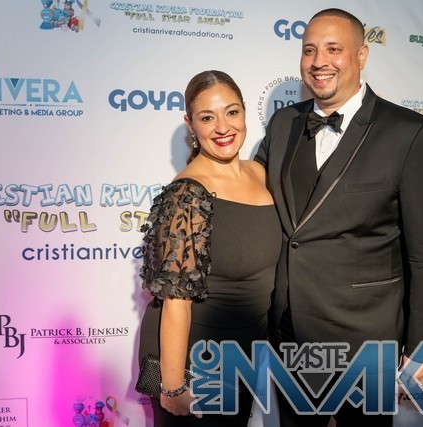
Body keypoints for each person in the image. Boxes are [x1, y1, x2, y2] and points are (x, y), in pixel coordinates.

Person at [255, 8, 423, 426]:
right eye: (309, 50)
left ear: (362, 55)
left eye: (333, 49)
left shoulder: (407, 133)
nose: (318, 61)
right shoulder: (283, 123)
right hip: (289, 332)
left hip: (366, 338)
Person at [138, 70, 281, 427]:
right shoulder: (187, 193)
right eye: (207, 118)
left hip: (241, 354)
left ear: (244, 112)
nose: (222, 127)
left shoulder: (261, 174)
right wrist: (173, 385)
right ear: (191, 124)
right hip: (190, 361)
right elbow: (176, 300)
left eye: (231, 112)